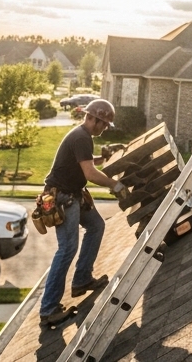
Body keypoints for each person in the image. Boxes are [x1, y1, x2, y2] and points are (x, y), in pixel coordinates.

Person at [38, 98, 124, 327]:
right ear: (93, 118)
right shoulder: (81, 137)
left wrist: (104, 158)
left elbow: (85, 163)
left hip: (72, 195)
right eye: (103, 124)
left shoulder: (82, 137)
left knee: (96, 226)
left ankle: (82, 280)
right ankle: (48, 310)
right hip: (63, 198)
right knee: (67, 249)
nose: (105, 129)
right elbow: (90, 173)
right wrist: (115, 185)